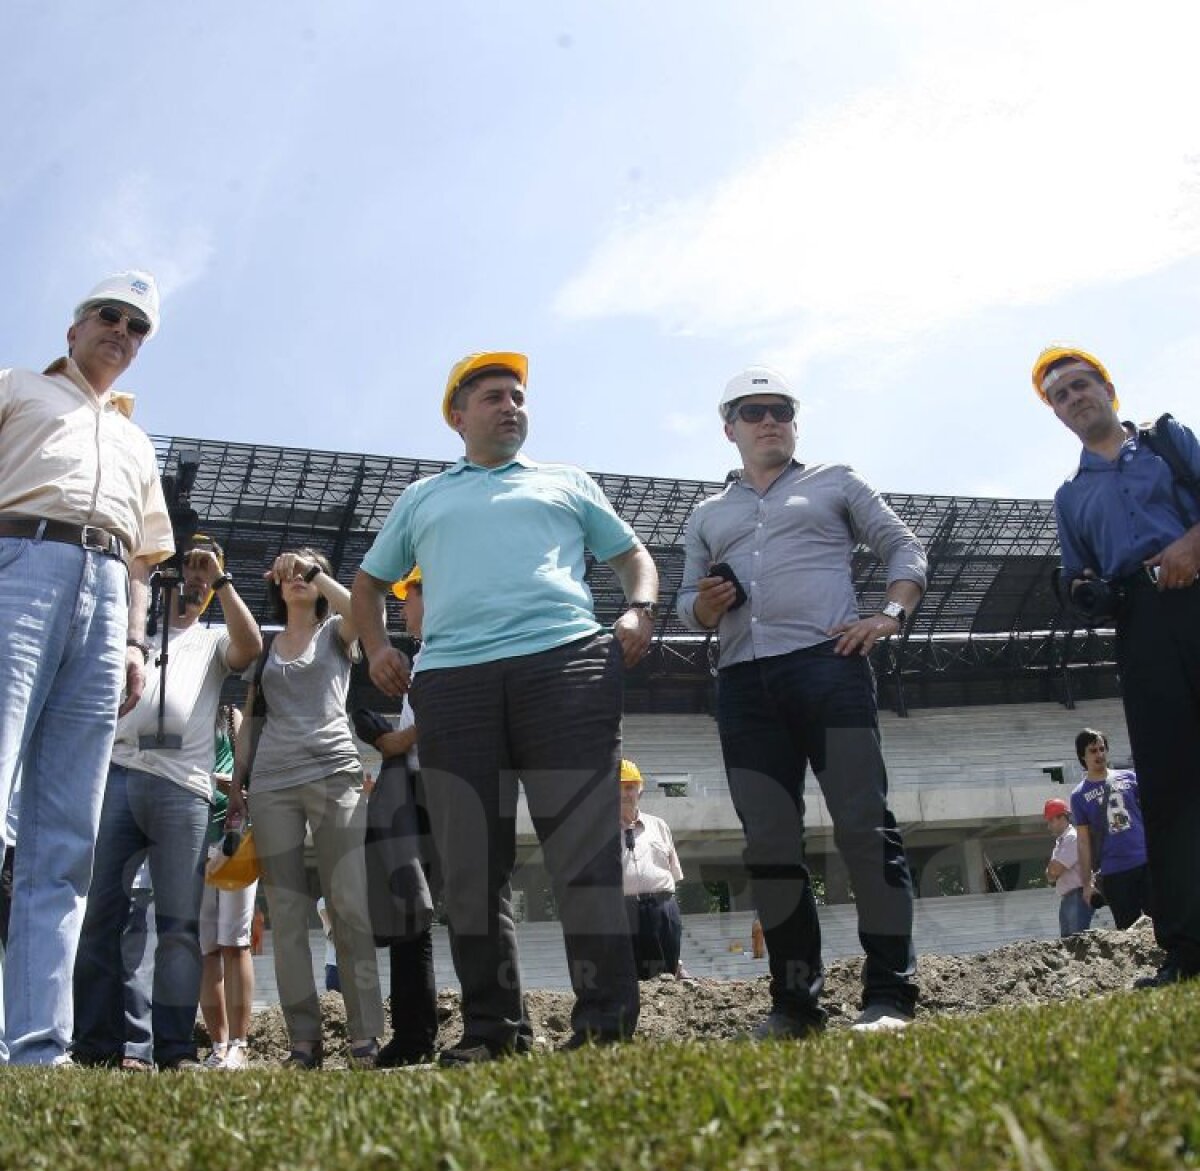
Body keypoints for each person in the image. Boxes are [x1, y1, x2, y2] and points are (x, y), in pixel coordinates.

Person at [351, 351, 658, 1063]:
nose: (510, 406)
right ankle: (495, 1031)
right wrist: (376, 648)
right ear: (458, 418)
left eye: (517, 396)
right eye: (493, 397)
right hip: (454, 682)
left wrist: (640, 608)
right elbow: (367, 585)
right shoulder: (423, 498)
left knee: (583, 853)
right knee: (470, 867)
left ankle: (605, 1028)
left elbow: (633, 556)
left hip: (567, 666)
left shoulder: (567, 482)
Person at [678, 366, 926, 1037]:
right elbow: (685, 605)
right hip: (745, 685)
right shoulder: (707, 514)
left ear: (794, 421)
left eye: (781, 410)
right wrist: (706, 605)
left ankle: (890, 995)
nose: (770, 421)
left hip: (830, 667)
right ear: (728, 428)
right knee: (769, 845)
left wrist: (890, 615)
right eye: (753, 411)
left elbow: (904, 546)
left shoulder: (836, 481)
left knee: (864, 827)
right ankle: (794, 1006)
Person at [0, 271, 173, 1064]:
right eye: (110, 315)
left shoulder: (137, 441)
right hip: (19, 562)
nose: (122, 332)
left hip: (107, 595)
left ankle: (40, 1046)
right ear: (73, 329)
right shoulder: (17, 386)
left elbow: (143, 555)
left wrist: (134, 641)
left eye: (138, 327)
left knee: (67, 833)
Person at [1034, 344, 1200, 986]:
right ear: (1057, 414)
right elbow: (1077, 575)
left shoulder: (1168, 442)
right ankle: (1186, 946)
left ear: (1108, 388)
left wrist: (1190, 544)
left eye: (1082, 385)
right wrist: (1084, 591)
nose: (1074, 398)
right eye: (1061, 396)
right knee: (1169, 785)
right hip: (1141, 625)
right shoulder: (1069, 496)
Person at [73, 538, 260, 1069]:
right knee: (102, 915)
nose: (196, 579)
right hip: (118, 774)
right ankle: (98, 1044)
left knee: (179, 927)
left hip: (184, 788)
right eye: (188, 569)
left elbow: (251, 647)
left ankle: (175, 1049)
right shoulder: (136, 633)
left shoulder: (213, 639)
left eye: (206, 574)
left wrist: (221, 579)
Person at [228, 549, 384, 1068]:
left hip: (335, 773)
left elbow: (365, 612)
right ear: (277, 584)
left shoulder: (338, 631)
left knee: (348, 904)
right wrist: (238, 785)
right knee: (288, 913)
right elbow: (251, 719)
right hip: (272, 783)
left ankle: (365, 1034)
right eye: (291, 573)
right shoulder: (267, 647)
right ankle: (303, 1040)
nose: (298, 578)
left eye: (309, 572)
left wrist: (314, 570)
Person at [353, 567, 438, 1066]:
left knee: (458, 912)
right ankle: (414, 1034)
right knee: (412, 921)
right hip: (420, 789)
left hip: (441, 788)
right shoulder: (423, 656)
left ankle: (489, 1026)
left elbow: (436, 718)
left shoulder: (449, 649)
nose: (404, 609)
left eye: (410, 597)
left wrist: (391, 740)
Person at [198, 702, 258, 1069]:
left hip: (231, 841)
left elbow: (247, 774)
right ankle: (217, 1045)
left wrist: (222, 782)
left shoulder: (230, 715)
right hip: (192, 841)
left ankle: (240, 1043)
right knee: (206, 947)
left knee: (235, 941)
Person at [1067, 728, 1152, 930]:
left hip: (1146, 863)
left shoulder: (1130, 777)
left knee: (1162, 922)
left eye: (1102, 749)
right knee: (1128, 930)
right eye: (1093, 751)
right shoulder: (1079, 795)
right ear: (1082, 756)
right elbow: (1083, 842)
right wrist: (1087, 883)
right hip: (1115, 871)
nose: (1099, 754)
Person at [619, 758, 686, 979]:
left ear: (640, 789)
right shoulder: (601, 833)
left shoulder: (659, 826)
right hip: (624, 911)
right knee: (631, 979)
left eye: (630, 787)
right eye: (618, 788)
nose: (624, 793)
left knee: (666, 976)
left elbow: (673, 873)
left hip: (663, 909)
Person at [1043, 797, 1092, 938]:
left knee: (1076, 941)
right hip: (1069, 898)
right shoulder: (1061, 841)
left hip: (1077, 896)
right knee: (1067, 942)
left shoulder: (1072, 838)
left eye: (1051, 821)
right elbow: (1050, 876)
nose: (1049, 826)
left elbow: (1054, 871)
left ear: (1062, 818)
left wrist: (1052, 870)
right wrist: (1052, 871)